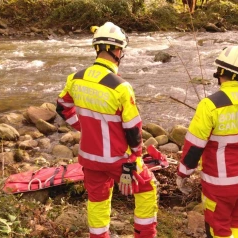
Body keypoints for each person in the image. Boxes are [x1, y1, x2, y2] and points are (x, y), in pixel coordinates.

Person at [56, 22, 158, 238]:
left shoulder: (75, 78)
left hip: (89, 158)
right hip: (118, 158)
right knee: (148, 189)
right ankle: (145, 234)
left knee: (97, 200)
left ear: (98, 49)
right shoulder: (121, 87)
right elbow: (133, 129)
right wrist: (136, 158)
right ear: (117, 50)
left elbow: (62, 107)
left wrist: (82, 126)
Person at [176, 45, 238, 238]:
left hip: (218, 182)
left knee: (218, 227)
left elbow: (194, 146)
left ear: (219, 72)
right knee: (237, 222)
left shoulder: (210, 105)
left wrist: (183, 173)